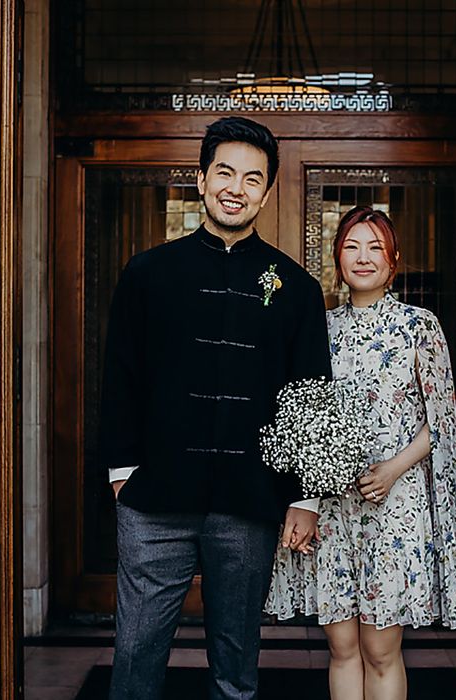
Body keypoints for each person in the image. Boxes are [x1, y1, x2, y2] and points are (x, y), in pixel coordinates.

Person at [99, 116, 331, 699]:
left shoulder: (295, 287)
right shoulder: (148, 273)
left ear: (267, 192)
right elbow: (120, 376)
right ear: (201, 180)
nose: (236, 187)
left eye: (252, 178)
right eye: (224, 172)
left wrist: (304, 496)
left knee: (236, 664)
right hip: (153, 500)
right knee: (135, 653)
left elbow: (310, 396)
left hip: (248, 501)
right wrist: (123, 473)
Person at [266, 206, 456, 699]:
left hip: (394, 508)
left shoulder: (418, 327)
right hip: (334, 511)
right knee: (341, 648)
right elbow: (304, 415)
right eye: (351, 247)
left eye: (375, 248)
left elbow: (442, 420)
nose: (363, 258)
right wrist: (306, 501)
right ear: (337, 256)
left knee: (381, 650)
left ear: (393, 260)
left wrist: (393, 468)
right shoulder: (318, 326)